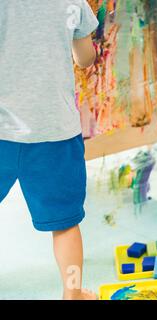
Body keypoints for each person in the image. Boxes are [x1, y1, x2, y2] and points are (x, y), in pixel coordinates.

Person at [0, 1, 99, 299]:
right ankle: (73, 293)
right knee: (66, 224)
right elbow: (85, 58)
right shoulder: (73, 2)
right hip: (55, 131)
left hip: (2, 129)